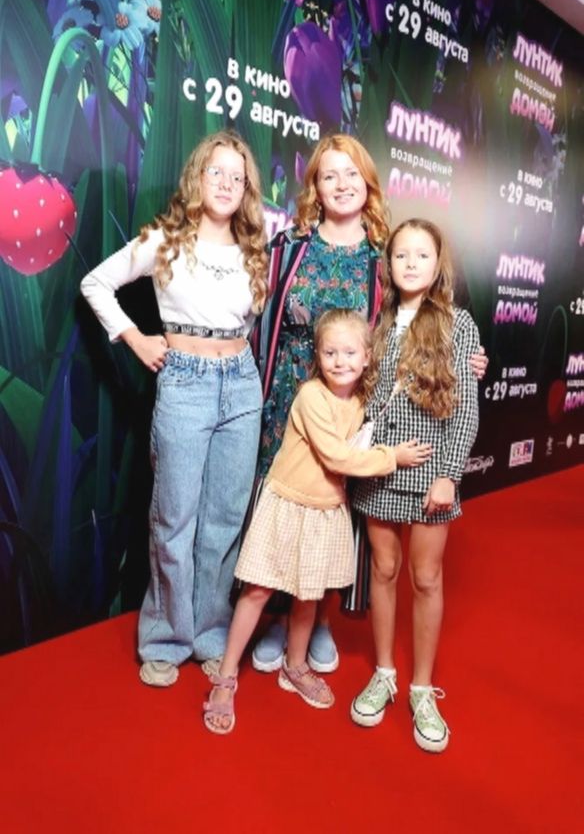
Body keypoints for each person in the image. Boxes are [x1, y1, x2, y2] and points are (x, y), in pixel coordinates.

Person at [250, 133, 488, 674]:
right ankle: (281, 616)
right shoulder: (289, 246)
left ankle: (321, 617)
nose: (341, 184)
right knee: (287, 503)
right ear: (314, 186)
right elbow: (258, 318)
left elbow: (421, 325)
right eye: (328, 175)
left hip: (355, 404)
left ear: (368, 183)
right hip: (289, 397)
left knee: (336, 510)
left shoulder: (381, 257)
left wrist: (469, 358)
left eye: (351, 173)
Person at [80, 131, 268, 686]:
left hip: (241, 384)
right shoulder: (165, 240)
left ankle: (210, 633)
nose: (227, 184)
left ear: (247, 188)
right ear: (197, 178)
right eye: (217, 172)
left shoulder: (254, 250)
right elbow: (96, 283)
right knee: (174, 518)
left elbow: (254, 323)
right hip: (185, 381)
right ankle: (165, 637)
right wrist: (136, 339)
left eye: (237, 176)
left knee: (224, 520)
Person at [202, 309, 433, 734]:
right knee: (257, 590)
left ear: (367, 357)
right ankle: (226, 675)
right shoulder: (311, 396)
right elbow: (336, 457)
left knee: (309, 595)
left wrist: (471, 360)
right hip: (288, 505)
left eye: (350, 353)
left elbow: (405, 381)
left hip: (326, 510)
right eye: (330, 352)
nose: (339, 361)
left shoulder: (363, 401)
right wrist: (392, 458)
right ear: (318, 356)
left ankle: (295, 666)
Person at [349, 218, 480, 753]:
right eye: (401, 254)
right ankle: (384, 672)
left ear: (437, 263)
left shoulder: (458, 324)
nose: (410, 263)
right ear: (389, 264)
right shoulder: (376, 322)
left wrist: (449, 474)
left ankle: (422, 688)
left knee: (425, 577)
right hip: (382, 467)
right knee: (383, 570)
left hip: (431, 473)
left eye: (421, 255)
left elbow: (466, 409)